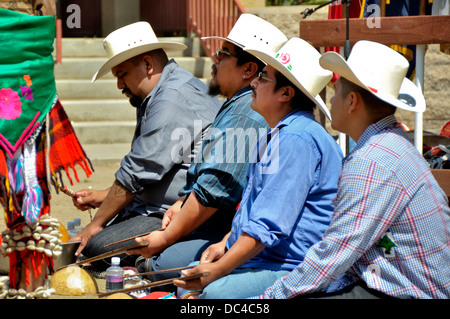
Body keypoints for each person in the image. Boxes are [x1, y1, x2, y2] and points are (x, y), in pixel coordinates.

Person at [255, 40, 450, 299]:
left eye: (336, 93)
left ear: (352, 102)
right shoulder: (391, 145)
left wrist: (266, 300)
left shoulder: (371, 161)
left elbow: (334, 254)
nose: (331, 100)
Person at [173, 38, 344, 299]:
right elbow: (256, 210)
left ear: (286, 94)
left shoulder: (295, 139)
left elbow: (267, 227)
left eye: (263, 78)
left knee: (210, 294)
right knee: (187, 279)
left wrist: (218, 270)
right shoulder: (276, 134)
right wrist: (224, 245)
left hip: (291, 268)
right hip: (266, 260)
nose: (253, 83)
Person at [127, 14, 287, 283]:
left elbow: (214, 190)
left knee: (157, 265)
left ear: (248, 71)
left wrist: (167, 236)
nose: (215, 60)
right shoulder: (237, 104)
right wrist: (181, 202)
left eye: (223, 54)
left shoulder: (245, 113)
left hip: (222, 226)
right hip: (209, 219)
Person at [70, 21, 221, 270]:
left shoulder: (172, 97)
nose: (119, 85)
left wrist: (93, 226)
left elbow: (136, 172)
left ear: (148, 65)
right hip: (155, 207)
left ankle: (165, 252)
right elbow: (145, 170)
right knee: (99, 242)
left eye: (122, 74)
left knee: (98, 247)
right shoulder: (163, 92)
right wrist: (103, 197)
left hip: (174, 213)